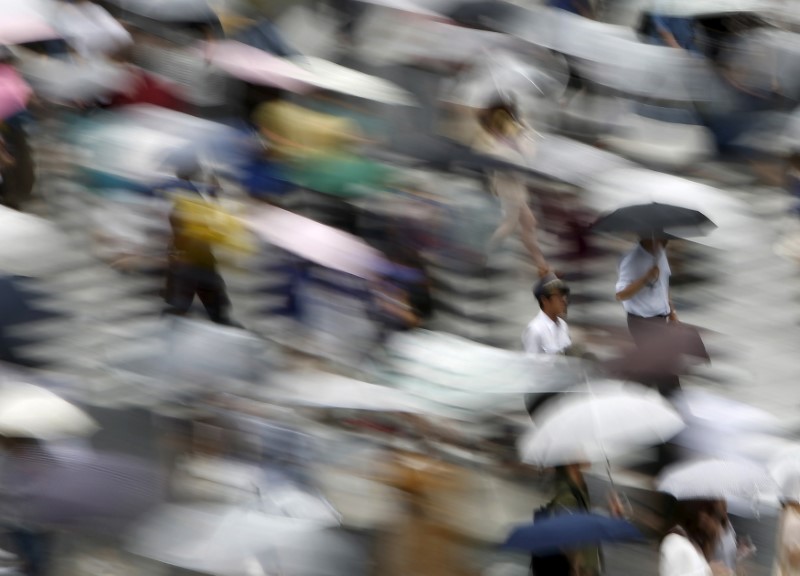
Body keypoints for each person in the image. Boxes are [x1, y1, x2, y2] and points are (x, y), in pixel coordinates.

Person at [473, 100, 550, 275]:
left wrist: (525, 133)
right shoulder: (500, 146)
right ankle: (483, 255)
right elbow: (522, 162)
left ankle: (542, 266)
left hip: (515, 188)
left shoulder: (509, 140)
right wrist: (526, 135)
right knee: (509, 225)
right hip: (510, 190)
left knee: (529, 224)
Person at [615, 237, 677, 348]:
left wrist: (672, 313)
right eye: (662, 236)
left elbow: (664, 285)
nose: (666, 240)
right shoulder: (631, 261)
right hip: (643, 323)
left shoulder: (660, 253)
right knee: (655, 360)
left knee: (660, 360)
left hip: (661, 319)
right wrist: (646, 278)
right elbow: (620, 295)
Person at [660, 500, 733, 576]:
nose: (720, 529)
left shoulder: (696, 545)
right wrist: (708, 572)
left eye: (723, 523)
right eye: (718, 519)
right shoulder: (675, 541)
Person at [523, 273, 571, 356]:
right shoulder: (535, 330)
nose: (564, 301)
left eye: (564, 296)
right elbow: (531, 365)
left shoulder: (563, 326)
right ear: (544, 300)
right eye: (558, 296)